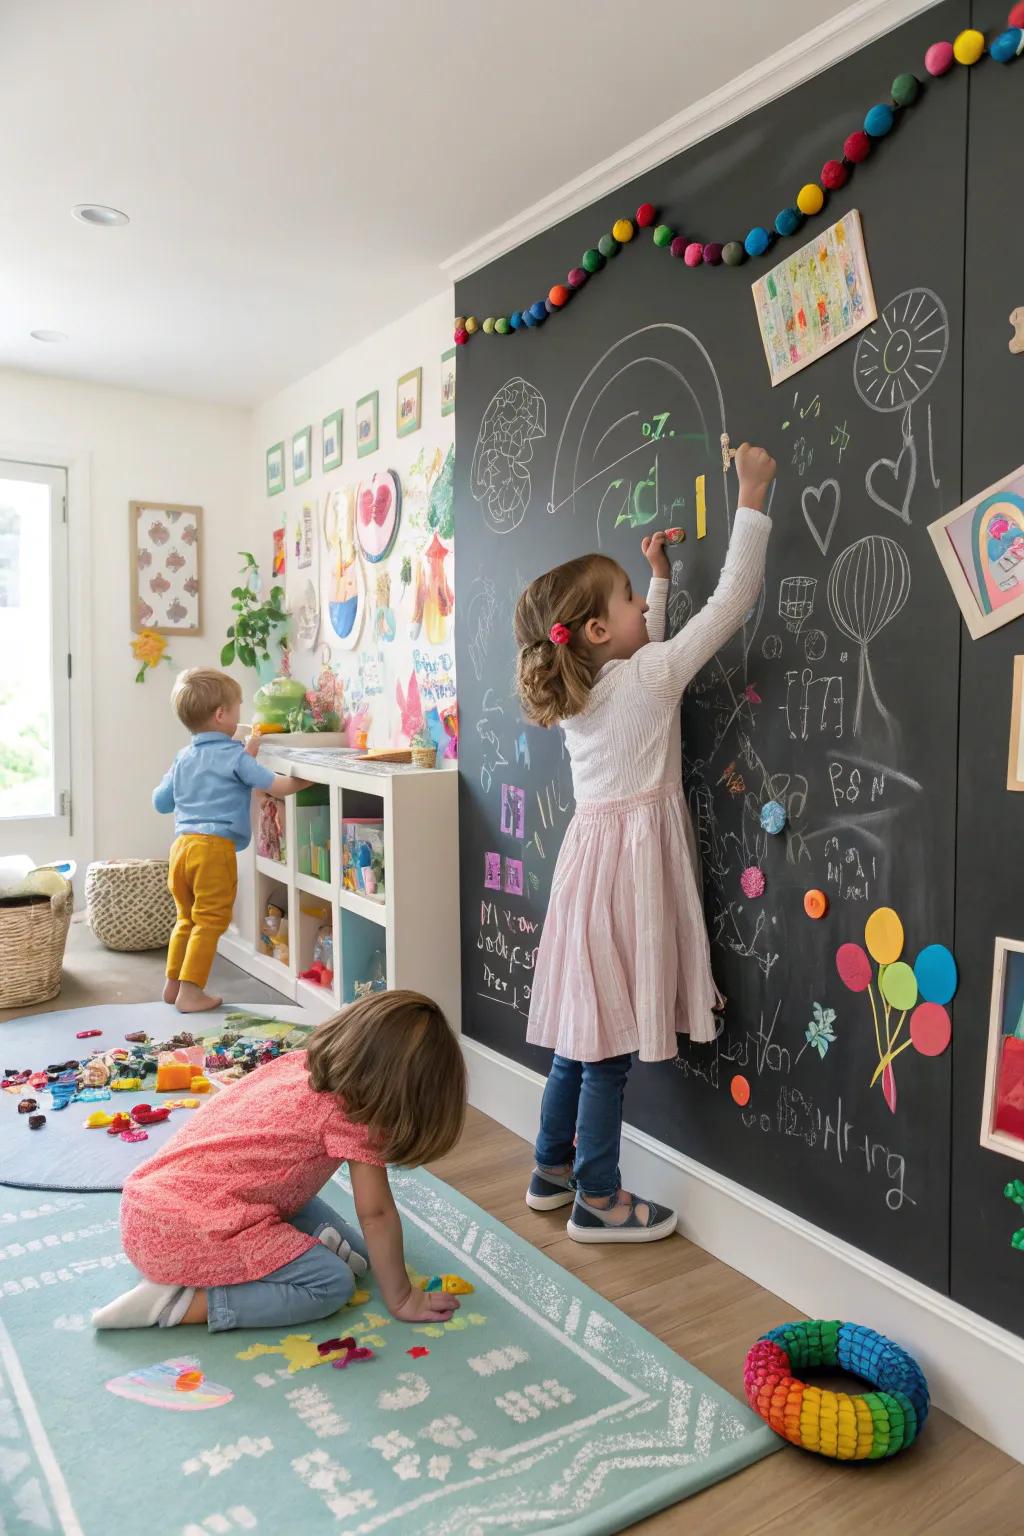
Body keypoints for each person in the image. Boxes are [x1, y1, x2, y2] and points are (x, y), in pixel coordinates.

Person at [513, 443, 775, 1244]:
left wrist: (653, 577)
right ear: (597, 627)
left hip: (588, 871)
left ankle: (551, 1171)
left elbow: (641, 650)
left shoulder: (585, 688)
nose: (640, 610)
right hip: (629, 878)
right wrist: (753, 496)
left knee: (578, 1041)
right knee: (607, 1057)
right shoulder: (647, 678)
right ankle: (599, 1197)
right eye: (628, 601)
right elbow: (730, 603)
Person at [92, 991, 467, 1332]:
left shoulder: (297, 1064)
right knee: (331, 1284)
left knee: (365, 1258)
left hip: (157, 1202)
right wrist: (402, 1297)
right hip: (181, 1230)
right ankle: (176, 1303)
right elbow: (377, 1215)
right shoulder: (352, 1119)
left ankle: (282, 1255)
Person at [153, 667, 308, 1013]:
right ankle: (192, 992)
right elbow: (277, 786)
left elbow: (161, 802)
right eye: (238, 708)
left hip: (182, 849)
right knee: (210, 920)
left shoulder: (184, 758)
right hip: (213, 850)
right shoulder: (235, 757)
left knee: (187, 919)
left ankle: (173, 984)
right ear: (222, 714)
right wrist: (309, 778)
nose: (241, 714)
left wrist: (246, 753)